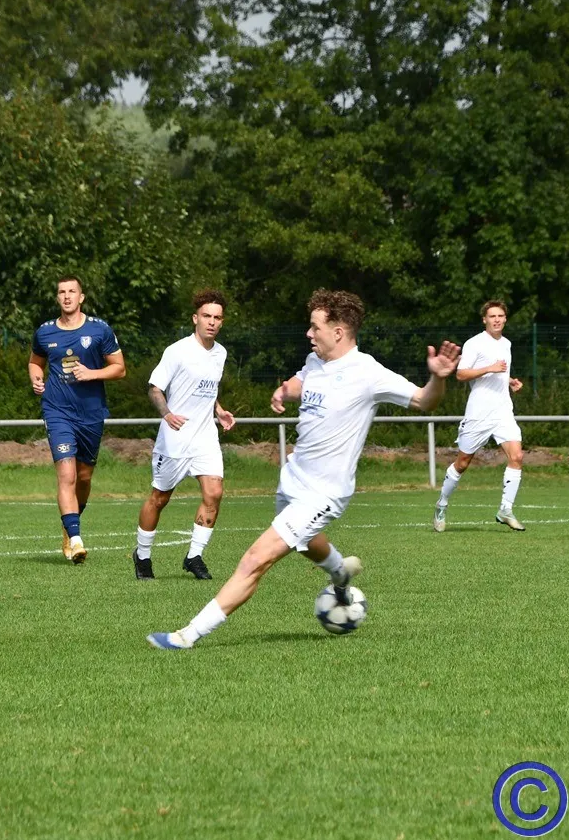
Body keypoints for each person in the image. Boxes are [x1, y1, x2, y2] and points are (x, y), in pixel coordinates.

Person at [147, 290, 460, 649]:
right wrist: (284, 391)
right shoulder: (316, 361)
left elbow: (423, 400)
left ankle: (187, 635)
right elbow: (301, 382)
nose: (309, 334)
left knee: (255, 559)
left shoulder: (368, 373)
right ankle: (340, 570)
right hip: (292, 482)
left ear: (338, 332)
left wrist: (438, 378)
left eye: (315, 327)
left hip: (324, 493)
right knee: (305, 543)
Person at [133, 291, 236, 581]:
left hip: (205, 438)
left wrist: (219, 410)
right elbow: (155, 388)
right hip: (175, 439)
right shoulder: (177, 351)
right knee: (159, 499)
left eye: (217, 317)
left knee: (214, 493)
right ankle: (142, 556)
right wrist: (167, 414)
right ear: (195, 318)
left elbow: (207, 389)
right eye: (206, 316)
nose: (211, 322)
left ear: (222, 322)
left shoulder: (220, 353)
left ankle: (194, 556)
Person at [28, 276, 126, 564]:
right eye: (62, 292)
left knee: (83, 477)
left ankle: (68, 524)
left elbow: (119, 368)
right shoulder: (45, 331)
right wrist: (36, 378)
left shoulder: (99, 329)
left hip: (91, 413)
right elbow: (35, 362)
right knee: (67, 474)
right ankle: (75, 539)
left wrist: (92, 373)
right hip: (57, 410)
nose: (67, 296)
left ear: (81, 297)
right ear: (57, 297)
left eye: (72, 291)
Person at [433, 300, 527, 533]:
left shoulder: (506, 343)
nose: (497, 320)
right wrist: (489, 368)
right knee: (463, 463)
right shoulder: (474, 343)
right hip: (479, 413)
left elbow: (500, 372)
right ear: (484, 319)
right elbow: (461, 374)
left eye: (500, 316)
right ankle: (441, 504)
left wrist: (510, 381)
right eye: (492, 316)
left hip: (503, 411)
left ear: (505, 319)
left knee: (517, 456)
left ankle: (505, 510)